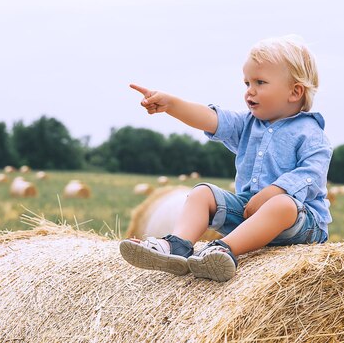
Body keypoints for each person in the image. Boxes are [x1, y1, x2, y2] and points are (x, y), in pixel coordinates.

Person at [119, 35, 332, 282]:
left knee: (281, 204)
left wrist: (274, 191)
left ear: (295, 92)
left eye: (260, 82)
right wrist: (172, 104)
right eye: (247, 83)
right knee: (202, 192)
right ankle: (178, 245)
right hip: (248, 215)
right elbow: (211, 119)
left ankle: (222, 250)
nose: (249, 92)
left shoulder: (312, 134)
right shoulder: (247, 123)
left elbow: (311, 175)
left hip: (300, 223)